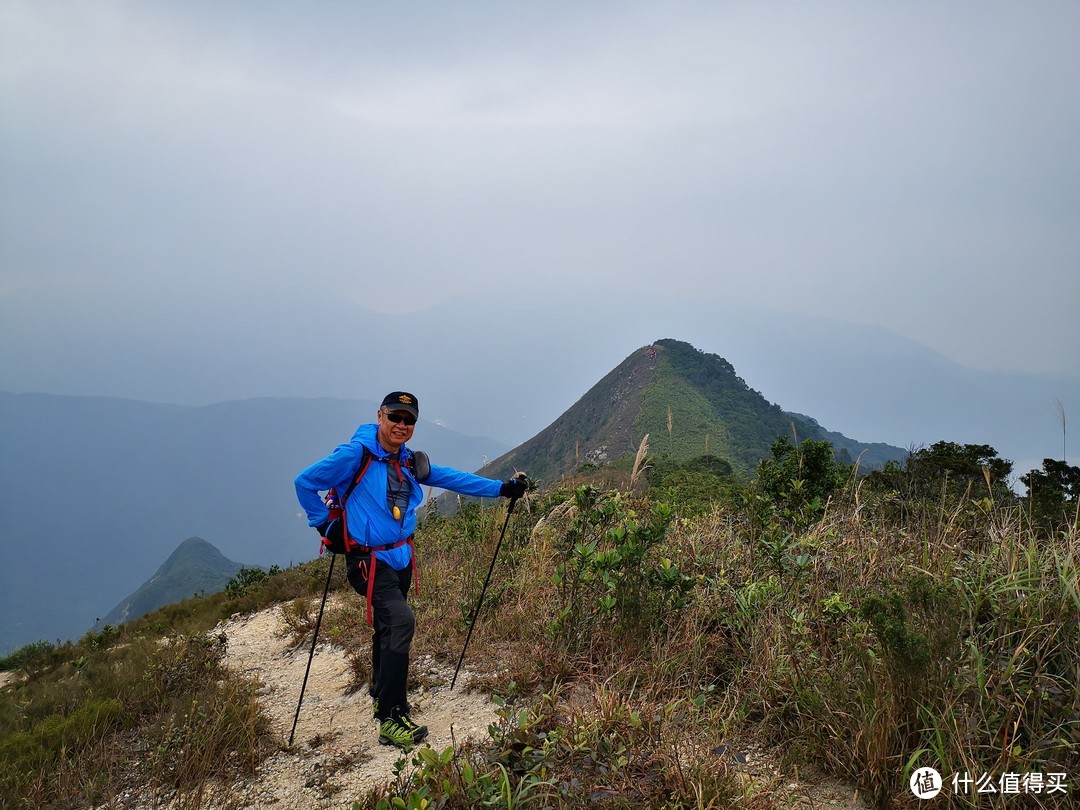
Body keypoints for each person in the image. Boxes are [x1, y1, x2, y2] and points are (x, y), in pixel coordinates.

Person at [294, 391, 527, 748]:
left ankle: (379, 690)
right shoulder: (356, 454)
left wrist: (501, 489)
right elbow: (304, 482)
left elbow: (452, 478)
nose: (401, 425)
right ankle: (391, 716)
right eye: (395, 417)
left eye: (409, 420)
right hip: (368, 561)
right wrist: (324, 526)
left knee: (388, 627)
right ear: (380, 416)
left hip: (401, 559)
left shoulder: (408, 461)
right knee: (401, 621)